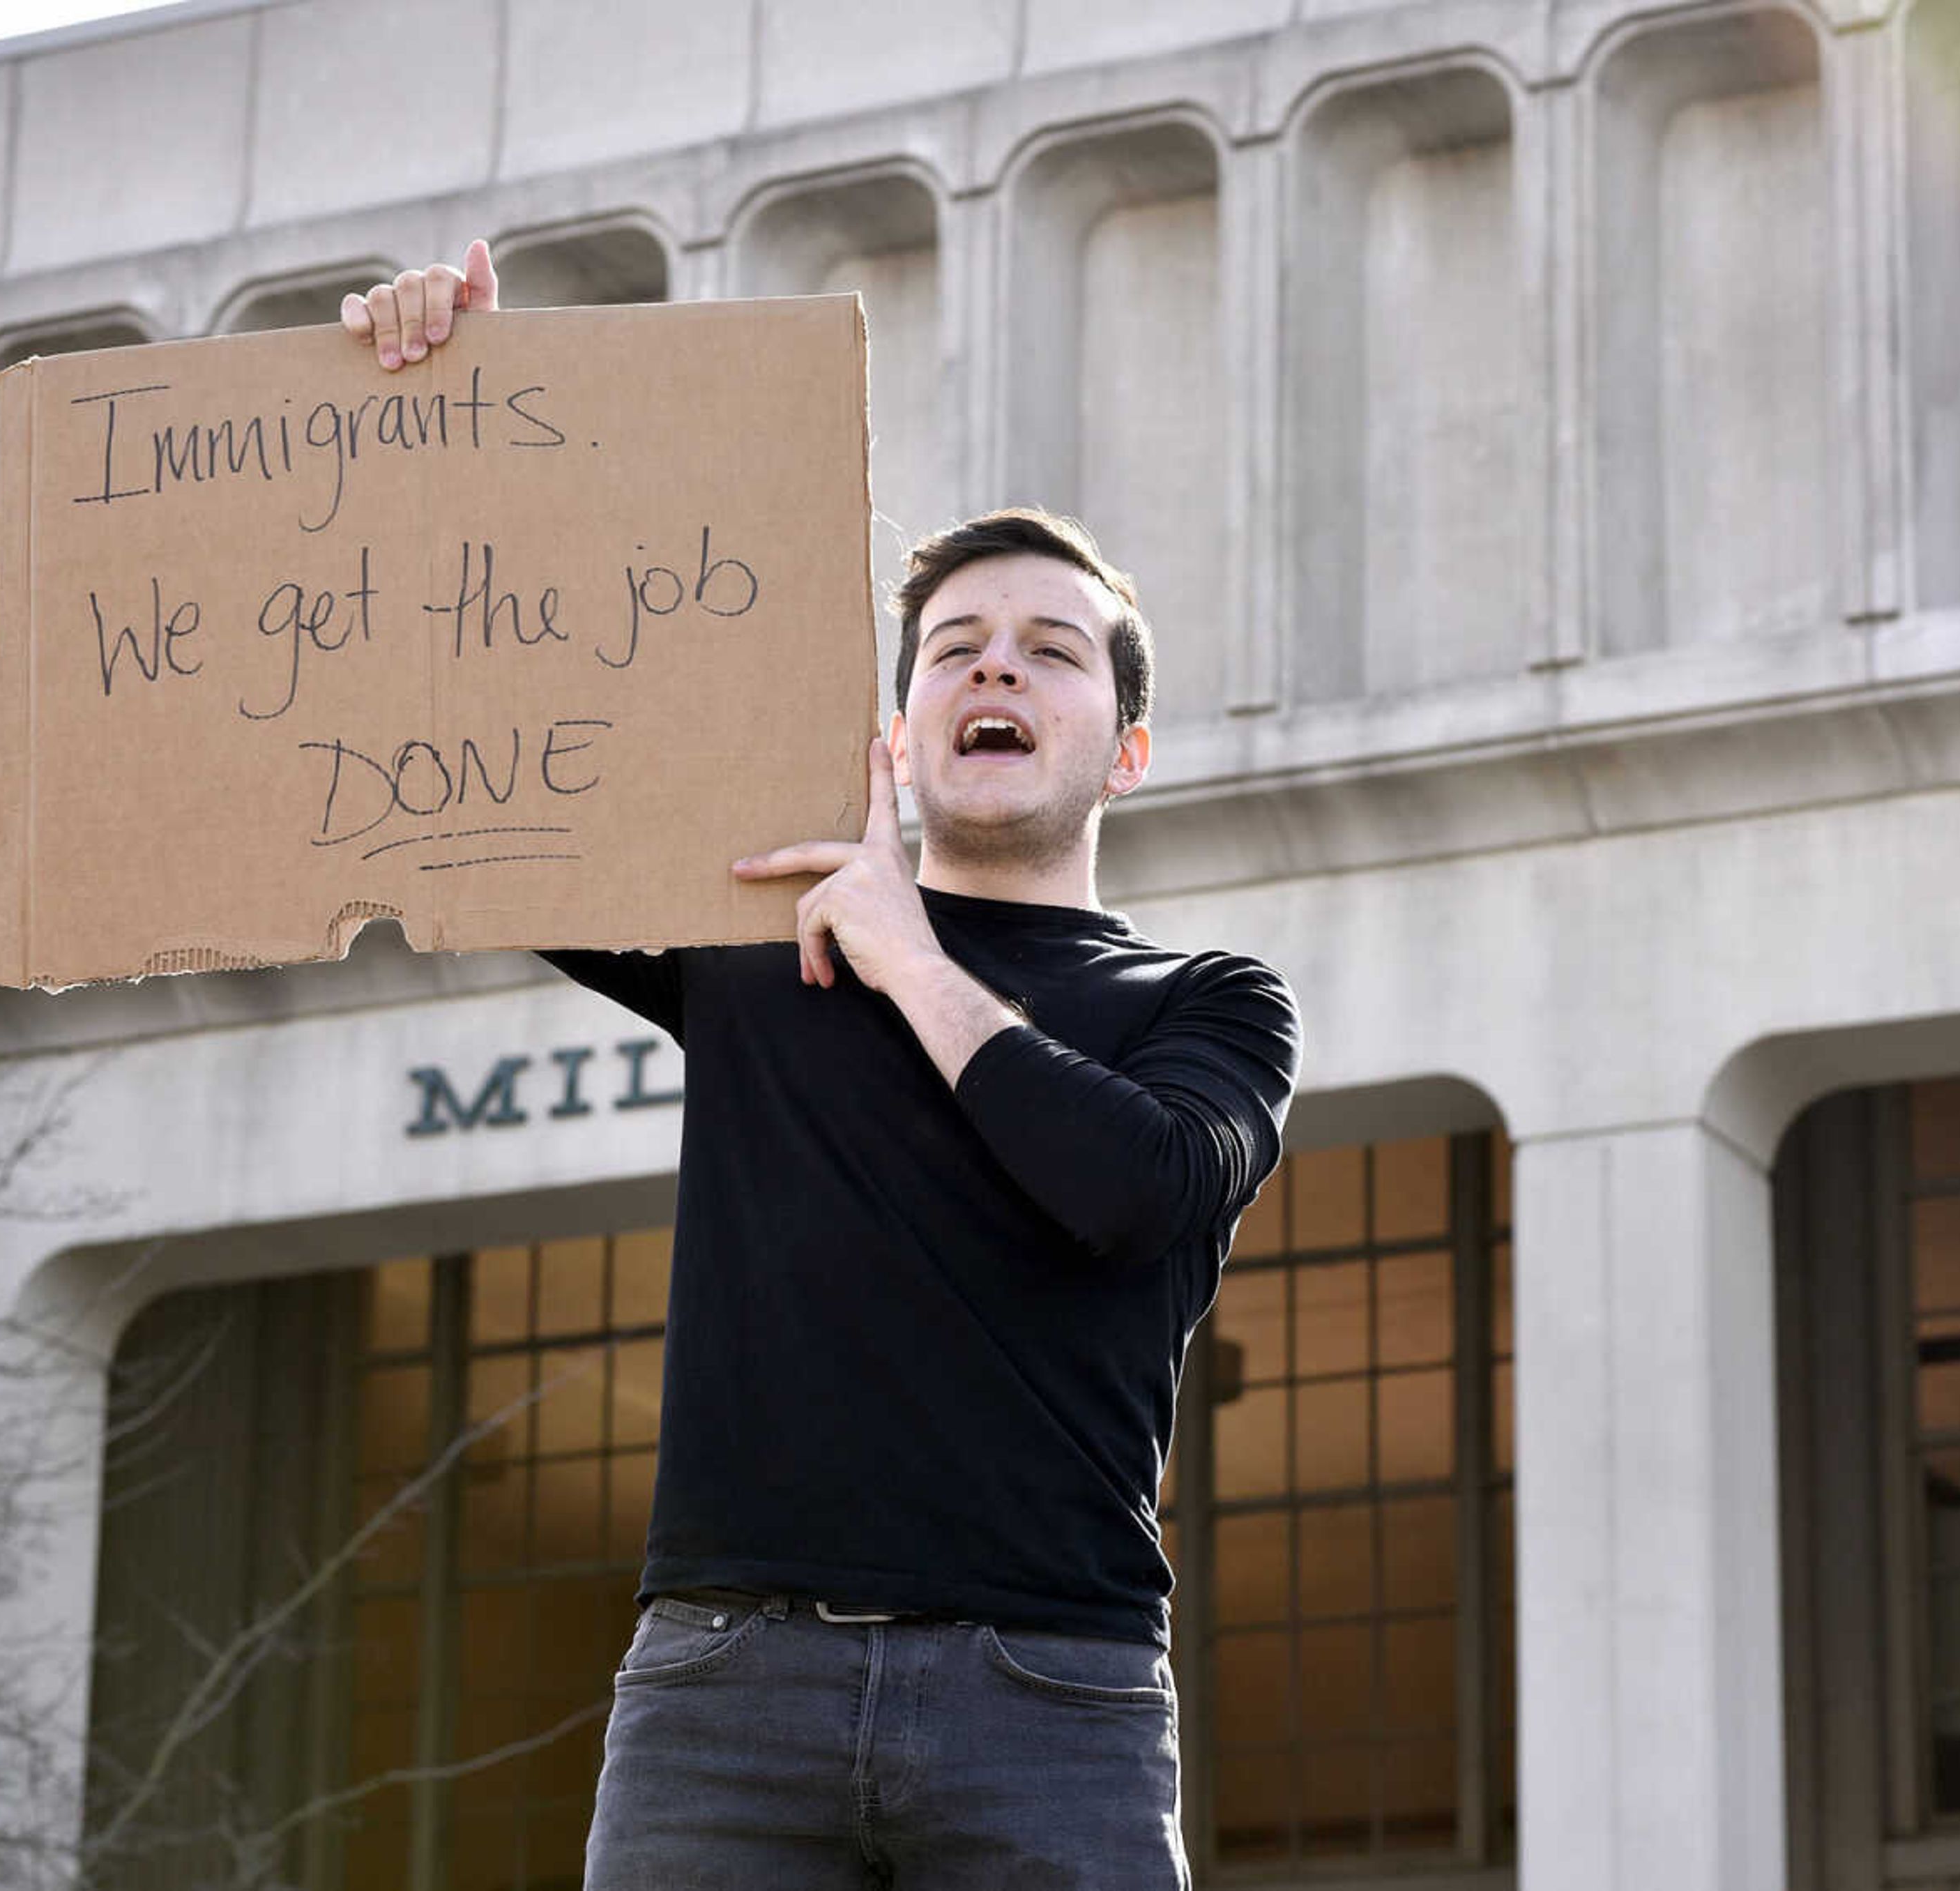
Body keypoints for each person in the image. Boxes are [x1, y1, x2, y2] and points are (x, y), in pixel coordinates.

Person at [343, 246, 1301, 1889]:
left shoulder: (1207, 1003)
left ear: (1125, 749)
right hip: (725, 1697)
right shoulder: (747, 943)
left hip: (1048, 1699)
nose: (997, 667)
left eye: (1053, 652)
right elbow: (469, 759)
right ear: (900, 725)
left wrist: (907, 956)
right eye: (955, 647)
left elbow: (1131, 1192)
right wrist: (461, 413)